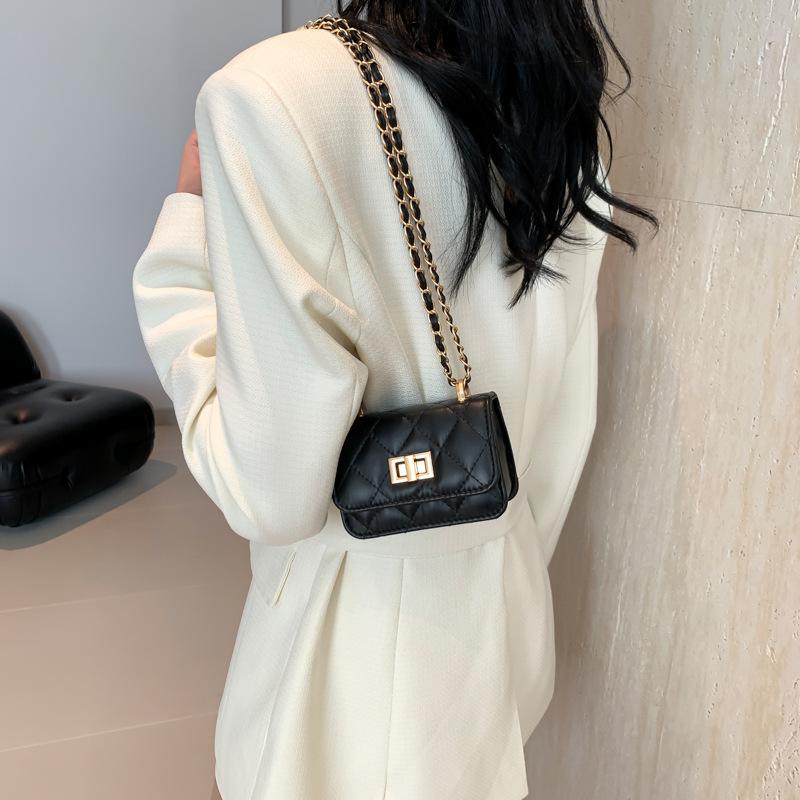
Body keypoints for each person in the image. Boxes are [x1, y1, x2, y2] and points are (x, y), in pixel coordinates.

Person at [132, 2, 657, 799]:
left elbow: (267, 494)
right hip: (498, 638)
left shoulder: (272, 96)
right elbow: (557, 432)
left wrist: (184, 237)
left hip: (340, 688)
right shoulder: (557, 104)